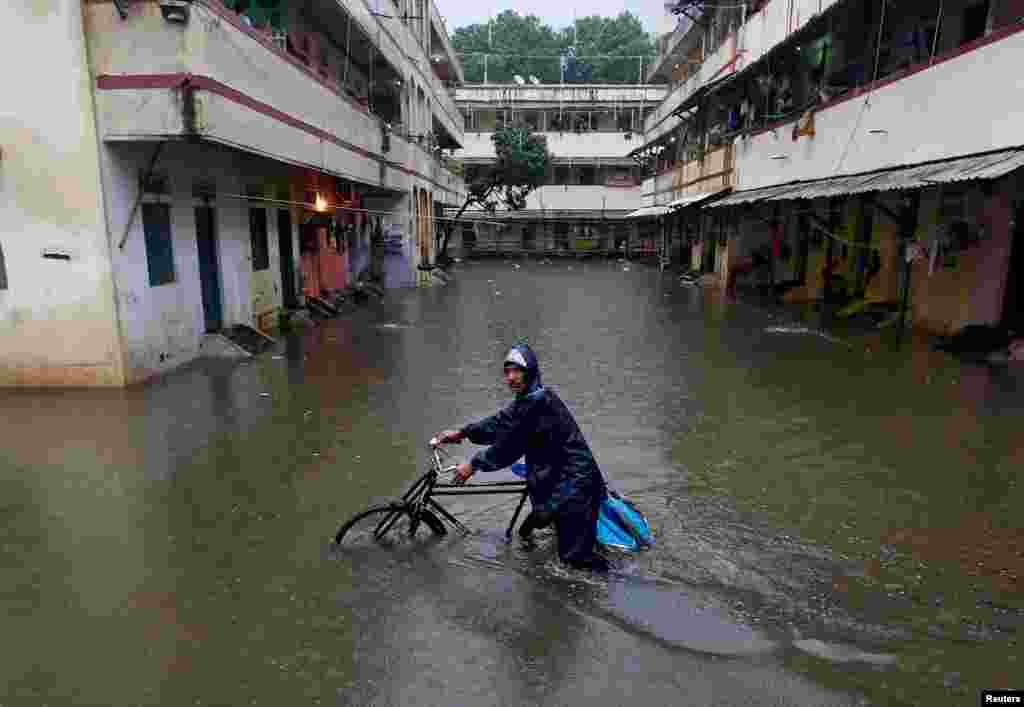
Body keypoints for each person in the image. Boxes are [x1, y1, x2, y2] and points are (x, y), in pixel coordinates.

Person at [435, 342, 608, 571]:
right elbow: (500, 423)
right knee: (553, 539)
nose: (511, 377)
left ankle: (614, 586)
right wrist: (463, 432)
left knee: (575, 562)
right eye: (507, 372)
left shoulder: (537, 403)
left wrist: (473, 464)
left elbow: (509, 447)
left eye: (517, 371)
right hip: (559, 482)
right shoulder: (531, 399)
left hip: (574, 486)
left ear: (531, 372)